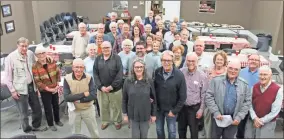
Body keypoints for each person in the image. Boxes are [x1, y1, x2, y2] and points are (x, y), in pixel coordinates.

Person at [4, 37, 46, 133]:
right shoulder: (10, 58)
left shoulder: (30, 54)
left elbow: (36, 66)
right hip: (19, 89)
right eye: (22, 46)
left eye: (26, 46)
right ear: (17, 46)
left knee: (37, 108)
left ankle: (36, 125)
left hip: (31, 85)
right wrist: (13, 91)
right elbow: (7, 77)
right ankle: (27, 130)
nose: (24, 48)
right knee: (24, 112)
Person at [205, 59, 251, 139]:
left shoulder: (244, 85)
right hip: (217, 118)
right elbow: (209, 96)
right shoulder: (216, 81)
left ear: (239, 71)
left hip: (233, 120)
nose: (233, 71)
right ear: (226, 68)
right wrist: (216, 112)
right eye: (230, 68)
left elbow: (247, 102)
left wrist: (239, 117)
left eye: (236, 69)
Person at [154, 50, 187, 139]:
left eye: (169, 60)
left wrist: (175, 111)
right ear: (161, 61)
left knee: (172, 132)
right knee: (159, 130)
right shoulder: (157, 72)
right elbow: (153, 90)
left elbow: (183, 96)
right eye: (164, 60)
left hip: (171, 110)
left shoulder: (179, 75)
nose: (166, 62)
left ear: (172, 61)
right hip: (159, 110)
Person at [63, 58, 99, 138]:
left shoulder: (89, 78)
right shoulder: (67, 79)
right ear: (72, 68)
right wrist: (83, 94)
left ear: (84, 68)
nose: (79, 69)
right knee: (75, 134)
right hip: (74, 111)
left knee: (94, 132)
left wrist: (76, 99)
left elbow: (93, 95)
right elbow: (66, 98)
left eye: (81, 67)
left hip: (88, 110)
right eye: (76, 67)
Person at [245, 66, 283, 138]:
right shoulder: (254, 87)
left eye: (265, 74)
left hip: (268, 124)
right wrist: (255, 118)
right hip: (252, 121)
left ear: (270, 76)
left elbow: (275, 111)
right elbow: (249, 104)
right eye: (260, 74)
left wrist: (260, 121)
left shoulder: (278, 90)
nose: (262, 77)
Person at [122, 59, 157, 138]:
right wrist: (125, 114)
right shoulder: (127, 81)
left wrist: (153, 114)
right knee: (135, 136)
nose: (139, 69)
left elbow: (154, 99)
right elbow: (124, 99)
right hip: (133, 114)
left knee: (144, 136)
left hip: (145, 114)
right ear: (133, 68)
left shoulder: (149, 81)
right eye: (136, 67)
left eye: (141, 67)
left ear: (144, 68)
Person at [93, 41, 123, 130]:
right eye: (104, 48)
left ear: (111, 48)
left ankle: (117, 121)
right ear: (101, 49)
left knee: (116, 107)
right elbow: (95, 74)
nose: (105, 49)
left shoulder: (117, 58)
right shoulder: (98, 58)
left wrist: (112, 86)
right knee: (103, 107)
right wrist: (100, 87)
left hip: (115, 89)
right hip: (101, 90)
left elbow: (120, 73)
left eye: (107, 47)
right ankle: (105, 121)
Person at [32, 45, 63, 131]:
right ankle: (50, 124)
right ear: (36, 55)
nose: (42, 55)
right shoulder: (35, 66)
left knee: (56, 105)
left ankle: (57, 120)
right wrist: (49, 89)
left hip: (55, 87)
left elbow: (58, 72)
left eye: (43, 53)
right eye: (39, 54)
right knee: (48, 108)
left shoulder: (51, 61)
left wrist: (57, 84)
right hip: (45, 90)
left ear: (46, 53)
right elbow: (37, 81)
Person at [178, 52, 208, 139]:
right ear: (186, 61)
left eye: (193, 61)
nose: (190, 63)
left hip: (194, 109)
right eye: (189, 61)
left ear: (197, 61)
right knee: (181, 131)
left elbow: (204, 94)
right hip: (182, 108)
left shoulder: (202, 75)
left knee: (194, 132)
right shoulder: (181, 72)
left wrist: (201, 110)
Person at [203, 50, 227, 138]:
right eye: (217, 59)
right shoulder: (209, 71)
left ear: (224, 61)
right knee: (208, 124)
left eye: (221, 59)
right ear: (214, 60)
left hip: (222, 103)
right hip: (209, 102)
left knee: (221, 124)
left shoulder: (227, 72)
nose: (219, 61)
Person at [237, 54, 260, 139]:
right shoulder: (241, 72)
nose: (253, 61)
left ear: (259, 62)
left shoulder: (262, 74)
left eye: (256, 60)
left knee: (253, 126)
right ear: (248, 61)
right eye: (251, 59)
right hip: (243, 103)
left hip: (256, 104)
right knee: (240, 125)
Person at [83, 44, 100, 117]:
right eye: (91, 50)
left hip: (99, 83)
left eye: (94, 49)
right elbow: (83, 74)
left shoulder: (99, 59)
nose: (93, 51)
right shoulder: (85, 61)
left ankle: (100, 113)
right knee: (90, 100)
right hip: (89, 84)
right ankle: (90, 114)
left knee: (99, 100)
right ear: (88, 51)